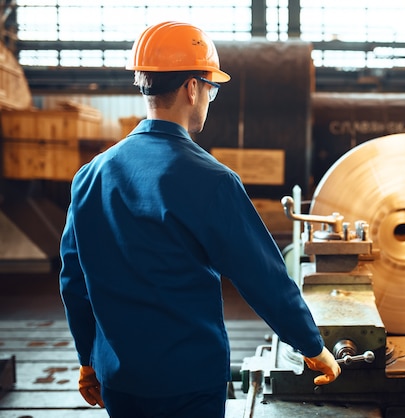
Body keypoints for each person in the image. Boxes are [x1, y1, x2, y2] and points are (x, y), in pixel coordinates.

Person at [59, 21, 340, 417]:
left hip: (117, 378)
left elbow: (74, 281)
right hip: (187, 382)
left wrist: (88, 359)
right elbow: (264, 278)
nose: (210, 97)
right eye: (212, 88)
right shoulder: (211, 180)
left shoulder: (90, 176)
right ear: (193, 87)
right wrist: (312, 347)